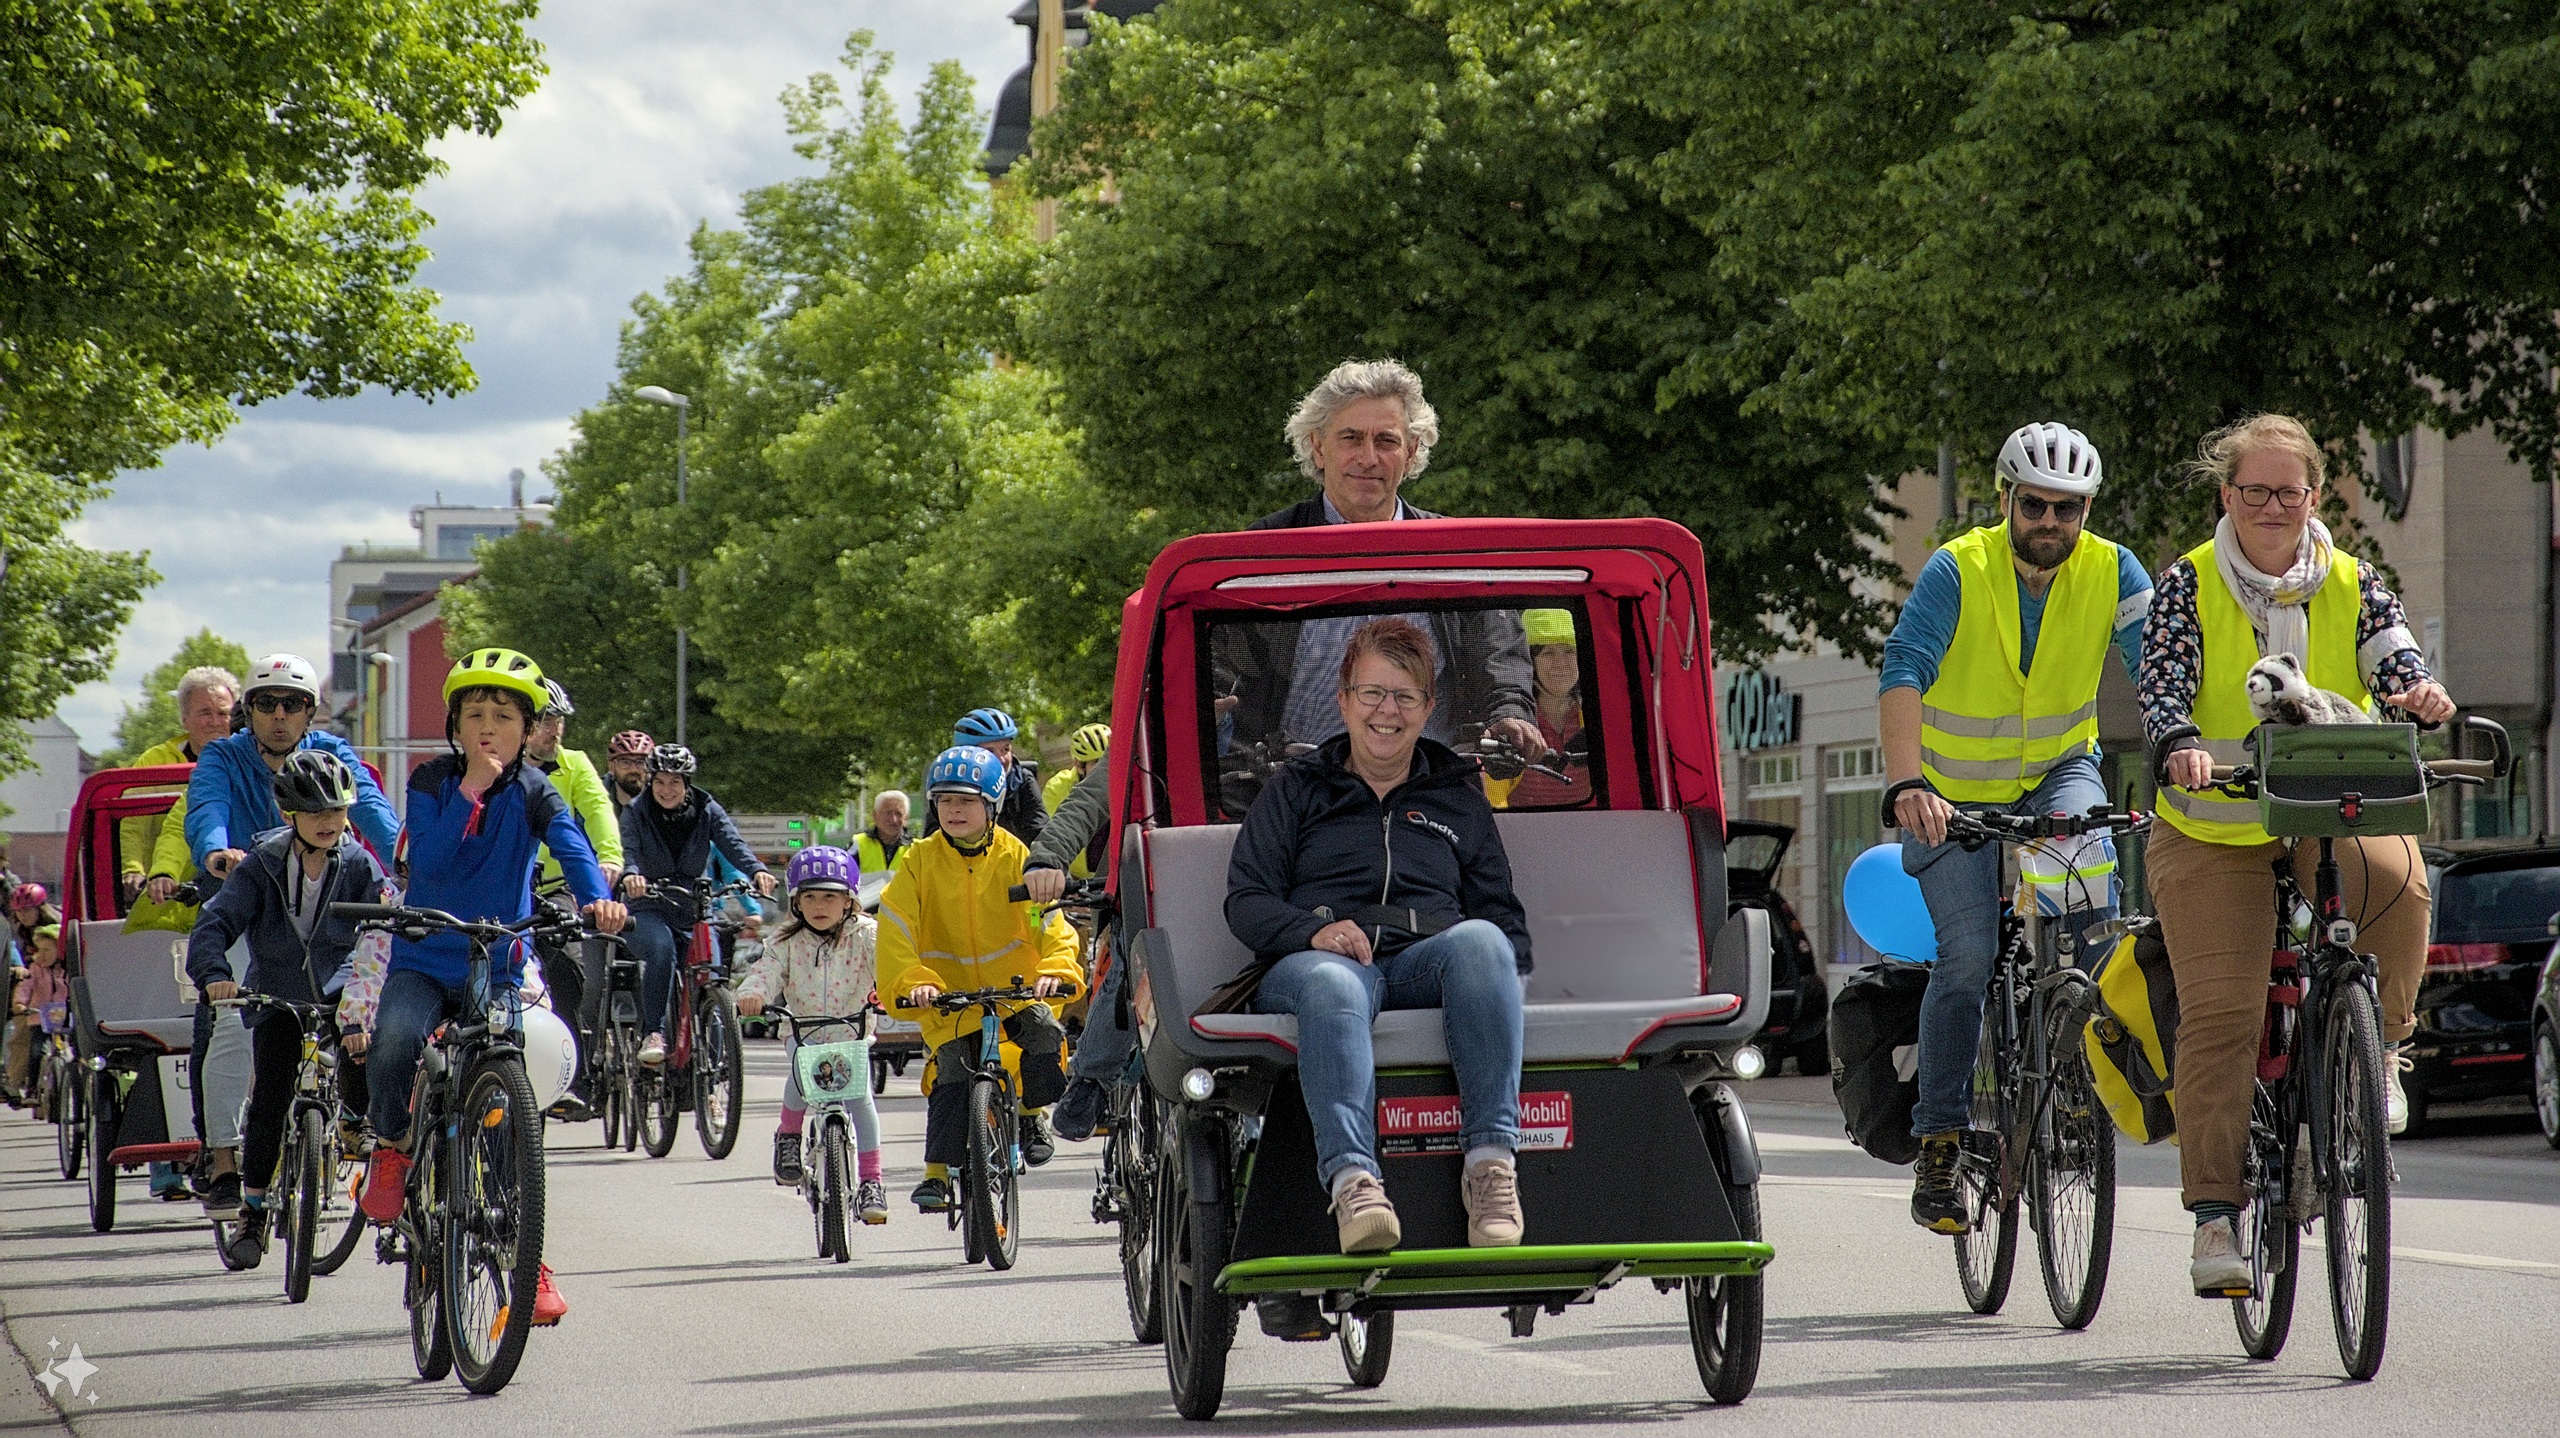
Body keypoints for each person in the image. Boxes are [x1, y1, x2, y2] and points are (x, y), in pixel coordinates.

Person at [2141, 413, 2452, 1296]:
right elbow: (2163, 684)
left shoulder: (2354, 579)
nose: (2272, 507)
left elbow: (2394, 661)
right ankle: (2213, 1218)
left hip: (2327, 802)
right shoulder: (2188, 584)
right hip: (2215, 820)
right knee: (2223, 1016)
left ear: (2313, 496)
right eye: (2254, 491)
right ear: (2227, 495)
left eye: (2289, 491)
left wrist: (2419, 693)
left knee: (2396, 882)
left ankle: (2380, 1046)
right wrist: (2180, 741)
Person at [1226, 617, 1532, 1346]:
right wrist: (1313, 932)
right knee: (1333, 986)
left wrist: (1491, 977)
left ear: (1430, 708)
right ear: (1343, 697)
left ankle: (1492, 1168)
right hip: (1321, 961)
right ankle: (1354, 1186)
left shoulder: (1457, 794)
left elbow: (1501, 915)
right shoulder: (1298, 788)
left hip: (1424, 961)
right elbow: (1247, 899)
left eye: (1404, 697)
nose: (1386, 712)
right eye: (1371, 693)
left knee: (1484, 944)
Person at [1878, 422, 2152, 1236]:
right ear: (2006, 501)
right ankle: (1940, 1143)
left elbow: (2162, 668)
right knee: (1964, 962)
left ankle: (2072, 1089)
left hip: (2057, 772)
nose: (2050, 522)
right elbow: (1902, 671)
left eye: (2067, 509)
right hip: (1950, 795)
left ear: (2086, 510)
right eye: (2034, 505)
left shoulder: (2114, 570)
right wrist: (1906, 783)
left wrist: (2182, 750)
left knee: (2088, 931)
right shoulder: (1958, 569)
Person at [356, 647, 624, 1334]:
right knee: (393, 1040)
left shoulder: (538, 790)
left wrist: (600, 902)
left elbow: (573, 848)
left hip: (497, 966)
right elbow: (430, 859)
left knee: (511, 1099)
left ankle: (524, 1254)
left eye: (502, 717)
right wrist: (473, 788)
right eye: (474, 713)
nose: (487, 726)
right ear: (454, 723)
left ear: (528, 728)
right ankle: (389, 1146)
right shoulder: (432, 780)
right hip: (425, 959)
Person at [1214, 360, 1544, 760]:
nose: (1368, 458)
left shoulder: (1455, 554)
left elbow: (1500, 660)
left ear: (1411, 452)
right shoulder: (1264, 552)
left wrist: (1509, 715)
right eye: (1351, 438)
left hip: (1427, 793)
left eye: (1386, 441)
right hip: (1294, 796)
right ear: (1318, 448)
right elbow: (1217, 666)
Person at [182, 751, 389, 1263]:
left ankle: (352, 1124)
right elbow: (215, 923)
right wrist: (215, 976)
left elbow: (385, 923)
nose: (329, 822)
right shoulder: (262, 865)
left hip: (339, 990)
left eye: (338, 811)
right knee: (272, 1095)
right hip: (276, 992)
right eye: (315, 812)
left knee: (362, 1053)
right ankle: (251, 1212)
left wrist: (363, 1006)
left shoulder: (360, 865)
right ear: (287, 814)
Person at [881, 746, 1083, 1212]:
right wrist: (913, 980)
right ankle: (936, 1174)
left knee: (1043, 1034)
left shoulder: (1020, 857)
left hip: (1016, 992)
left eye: (968, 801)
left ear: (992, 806)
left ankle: (1033, 1115)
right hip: (948, 999)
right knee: (948, 1072)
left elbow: (1052, 925)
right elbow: (895, 928)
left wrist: (1055, 971)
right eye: (946, 800)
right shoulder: (918, 862)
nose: (954, 809)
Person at [734, 846, 887, 1221]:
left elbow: (891, 966)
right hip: (802, 1032)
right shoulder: (785, 941)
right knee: (801, 1076)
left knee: (861, 1100)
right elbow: (765, 972)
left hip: (851, 1034)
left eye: (830, 896)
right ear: (796, 902)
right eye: (810, 896)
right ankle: (789, 1137)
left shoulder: (868, 936)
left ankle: (871, 1182)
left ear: (850, 900)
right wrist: (753, 994)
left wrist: (894, 991)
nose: (820, 905)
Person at [616, 743, 775, 1065]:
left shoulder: (706, 808)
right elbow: (628, 849)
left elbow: (732, 843)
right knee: (661, 950)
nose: (666, 789)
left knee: (712, 975)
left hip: (695, 906)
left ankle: (715, 1070)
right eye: (659, 781)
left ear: (687, 783)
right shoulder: (637, 810)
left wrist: (756, 869)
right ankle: (654, 1031)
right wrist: (632, 875)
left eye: (675, 782)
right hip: (648, 904)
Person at [525, 679, 623, 1119]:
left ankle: (569, 1076)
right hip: (508, 888)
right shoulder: (500, 766)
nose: (556, 731)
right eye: (547, 721)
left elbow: (598, 811)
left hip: (557, 888)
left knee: (570, 969)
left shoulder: (575, 765)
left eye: (560, 721)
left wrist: (609, 859)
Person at [1028, 752, 1120, 1142]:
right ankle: (1091, 1078)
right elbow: (1085, 804)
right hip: (1147, 892)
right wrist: (1045, 861)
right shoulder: (1150, 729)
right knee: (1129, 971)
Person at [120, 665, 239, 903]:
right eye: (205, 712)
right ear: (184, 719)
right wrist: (133, 868)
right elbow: (134, 824)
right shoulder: (154, 762)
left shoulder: (248, 761)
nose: (215, 722)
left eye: (223, 713)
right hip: (167, 893)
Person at [1486, 609, 1593, 809]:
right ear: (1530, 661)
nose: (1560, 663)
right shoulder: (1514, 721)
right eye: (1548, 653)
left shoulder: (1595, 717)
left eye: (1569, 651)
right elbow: (1495, 800)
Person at [918, 709, 1046, 845]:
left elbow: (1040, 834)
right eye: (990, 751)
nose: (1001, 759)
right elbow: (933, 840)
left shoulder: (1022, 780)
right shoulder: (948, 781)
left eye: (1005, 749)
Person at [4, 924, 64, 1109]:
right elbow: (25, 987)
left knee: (73, 1051)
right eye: (40, 950)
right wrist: (20, 1004)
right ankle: (31, 1088)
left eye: (48, 949)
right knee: (37, 1051)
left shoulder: (64, 970)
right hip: (40, 1019)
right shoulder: (35, 969)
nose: (42, 954)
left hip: (63, 1019)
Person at [852, 791, 911, 910]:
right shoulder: (858, 844)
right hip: (865, 918)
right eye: (888, 813)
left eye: (898, 814)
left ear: (905, 818)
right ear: (875, 816)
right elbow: (843, 881)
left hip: (902, 919)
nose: (893, 819)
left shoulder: (915, 849)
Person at [605, 729, 655, 806]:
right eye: (625, 762)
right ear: (612, 766)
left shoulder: (661, 797)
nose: (633, 769)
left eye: (640, 762)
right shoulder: (596, 798)